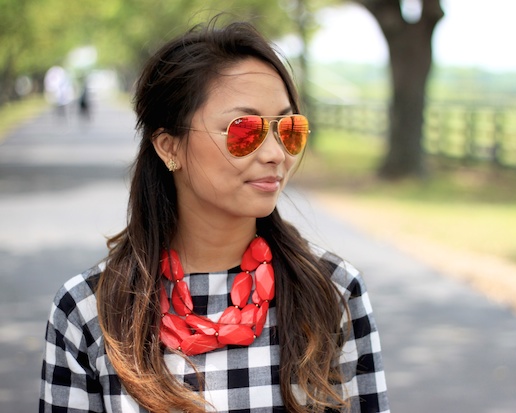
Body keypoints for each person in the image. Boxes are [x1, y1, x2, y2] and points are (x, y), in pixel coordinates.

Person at [40, 18, 390, 413]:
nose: (277, 153)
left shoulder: (332, 294)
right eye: (245, 130)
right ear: (169, 147)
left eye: (288, 128)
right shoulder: (90, 310)